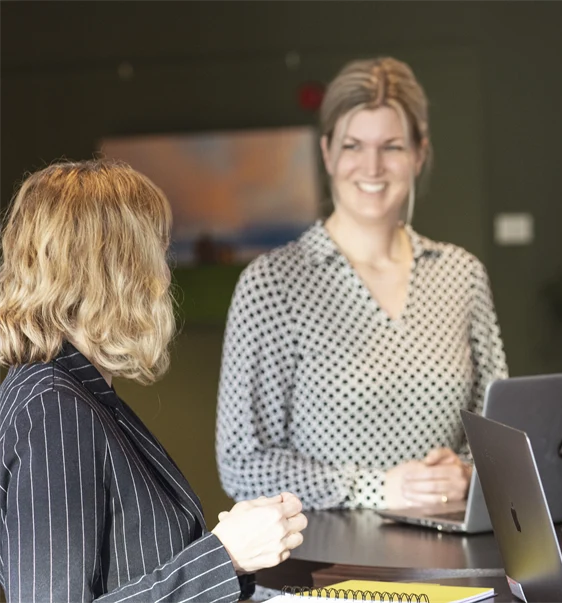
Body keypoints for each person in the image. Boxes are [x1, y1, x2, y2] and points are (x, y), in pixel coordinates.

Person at [0, 160, 307, 602]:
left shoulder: (75, 393)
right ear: (114, 271)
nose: (165, 277)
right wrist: (225, 555)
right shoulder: (53, 409)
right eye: (159, 254)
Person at [216, 57, 508, 511]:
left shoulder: (460, 274)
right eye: (354, 145)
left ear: (419, 154)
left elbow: (500, 432)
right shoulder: (274, 284)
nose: (372, 167)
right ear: (328, 152)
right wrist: (373, 488)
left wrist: (468, 473)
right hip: (323, 570)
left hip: (452, 563)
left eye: (391, 146)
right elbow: (243, 463)